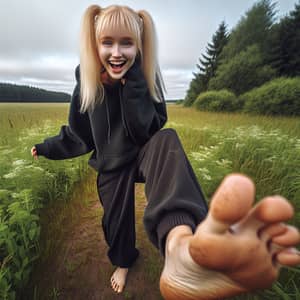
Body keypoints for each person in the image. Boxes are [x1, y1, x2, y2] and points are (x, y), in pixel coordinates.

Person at [31, 4, 300, 299]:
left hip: (143, 151)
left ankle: (180, 249)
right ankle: (123, 262)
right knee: (114, 223)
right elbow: (78, 133)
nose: (117, 52)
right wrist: (46, 148)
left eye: (127, 43)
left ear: (139, 45)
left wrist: (132, 85)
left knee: (168, 140)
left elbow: (151, 127)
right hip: (110, 164)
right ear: (94, 45)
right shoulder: (86, 81)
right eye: (107, 42)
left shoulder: (144, 74)